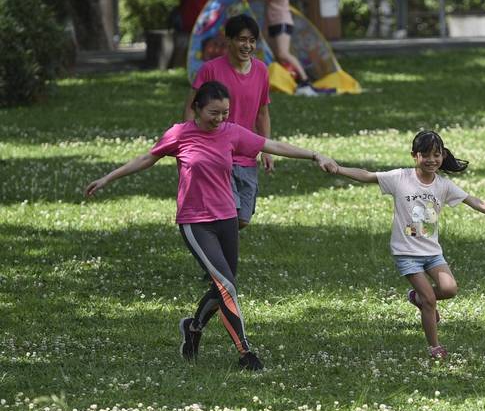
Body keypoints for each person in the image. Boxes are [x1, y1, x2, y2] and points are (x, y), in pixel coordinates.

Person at [85, 81, 338, 371]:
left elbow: (272, 145)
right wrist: (107, 179)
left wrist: (315, 154)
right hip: (195, 222)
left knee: (224, 288)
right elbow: (146, 159)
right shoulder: (179, 134)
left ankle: (192, 329)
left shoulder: (231, 132)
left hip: (226, 217)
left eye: (225, 113)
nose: (219, 119)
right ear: (196, 108)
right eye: (213, 113)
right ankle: (246, 354)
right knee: (227, 285)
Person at [333, 131, 485, 359]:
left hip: (431, 253)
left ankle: (417, 298)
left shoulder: (443, 185)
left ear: (443, 156)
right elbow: (367, 175)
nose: (432, 160)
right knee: (430, 300)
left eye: (437, 155)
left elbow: (475, 201)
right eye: (426, 155)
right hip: (406, 253)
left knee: (449, 289)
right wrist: (338, 169)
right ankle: (434, 346)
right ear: (414, 156)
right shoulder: (400, 178)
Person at [183, 15, 270, 230]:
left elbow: (262, 113)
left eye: (252, 41)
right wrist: (190, 145)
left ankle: (214, 243)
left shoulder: (261, 71)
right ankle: (216, 253)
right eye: (242, 40)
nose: (247, 46)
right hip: (217, 153)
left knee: (242, 219)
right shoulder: (210, 70)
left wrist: (266, 149)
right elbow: (190, 108)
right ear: (228, 40)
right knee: (227, 214)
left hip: (246, 155)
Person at [239, 0, 314, 94]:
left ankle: (305, 81)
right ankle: (287, 80)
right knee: (276, 55)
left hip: (282, 21)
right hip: (272, 22)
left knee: (284, 54)